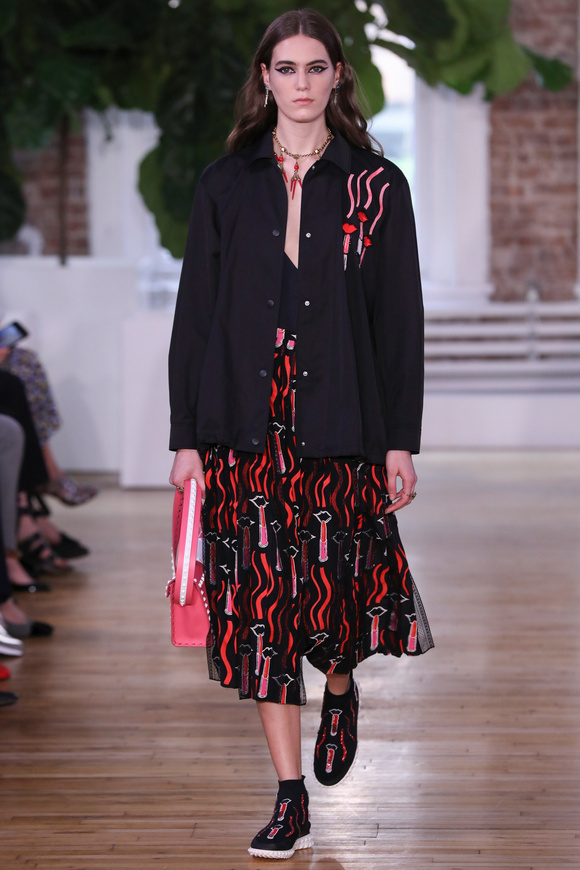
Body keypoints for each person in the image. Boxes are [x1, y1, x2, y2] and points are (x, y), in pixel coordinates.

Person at [168, 9, 434, 860]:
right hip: (244, 425)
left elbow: (399, 320)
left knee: (336, 589)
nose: (302, 83)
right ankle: (290, 798)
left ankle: (342, 684)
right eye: (285, 69)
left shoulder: (376, 186)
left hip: (341, 417)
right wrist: (186, 437)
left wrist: (400, 440)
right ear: (266, 79)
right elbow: (196, 316)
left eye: (316, 67)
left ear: (338, 76)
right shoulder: (225, 183)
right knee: (260, 613)